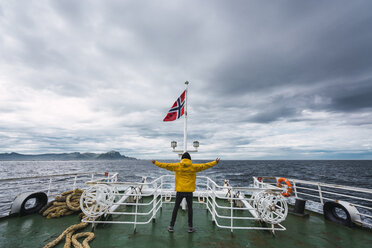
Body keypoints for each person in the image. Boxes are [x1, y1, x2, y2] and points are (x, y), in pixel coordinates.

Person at [152, 152, 220, 233]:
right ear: (189, 159)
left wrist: (155, 162)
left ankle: (171, 226)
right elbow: (204, 166)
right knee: (190, 209)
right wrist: (215, 162)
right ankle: (190, 227)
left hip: (180, 191)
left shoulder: (177, 166)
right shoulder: (193, 167)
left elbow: (166, 165)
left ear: (182, 158)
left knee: (176, 208)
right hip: (189, 191)